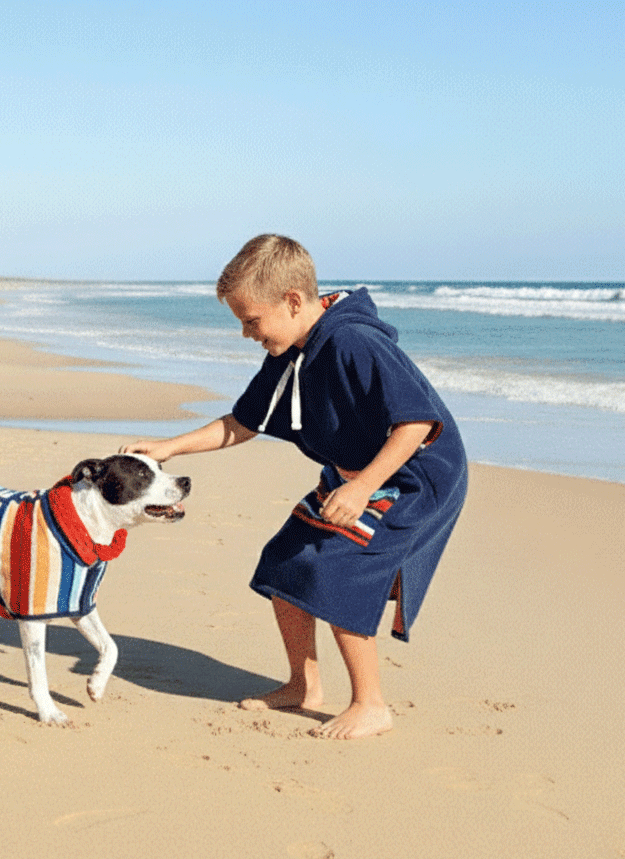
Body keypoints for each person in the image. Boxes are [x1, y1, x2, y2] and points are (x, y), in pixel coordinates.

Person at [121, 235, 468, 739]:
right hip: (354, 472)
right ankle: (302, 687)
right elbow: (244, 423)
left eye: (251, 320)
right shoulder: (291, 350)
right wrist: (169, 448)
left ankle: (371, 704)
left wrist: (364, 488)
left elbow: (417, 422)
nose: (245, 333)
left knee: (336, 568)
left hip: (415, 475)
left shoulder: (354, 341)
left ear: (293, 301)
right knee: (286, 562)